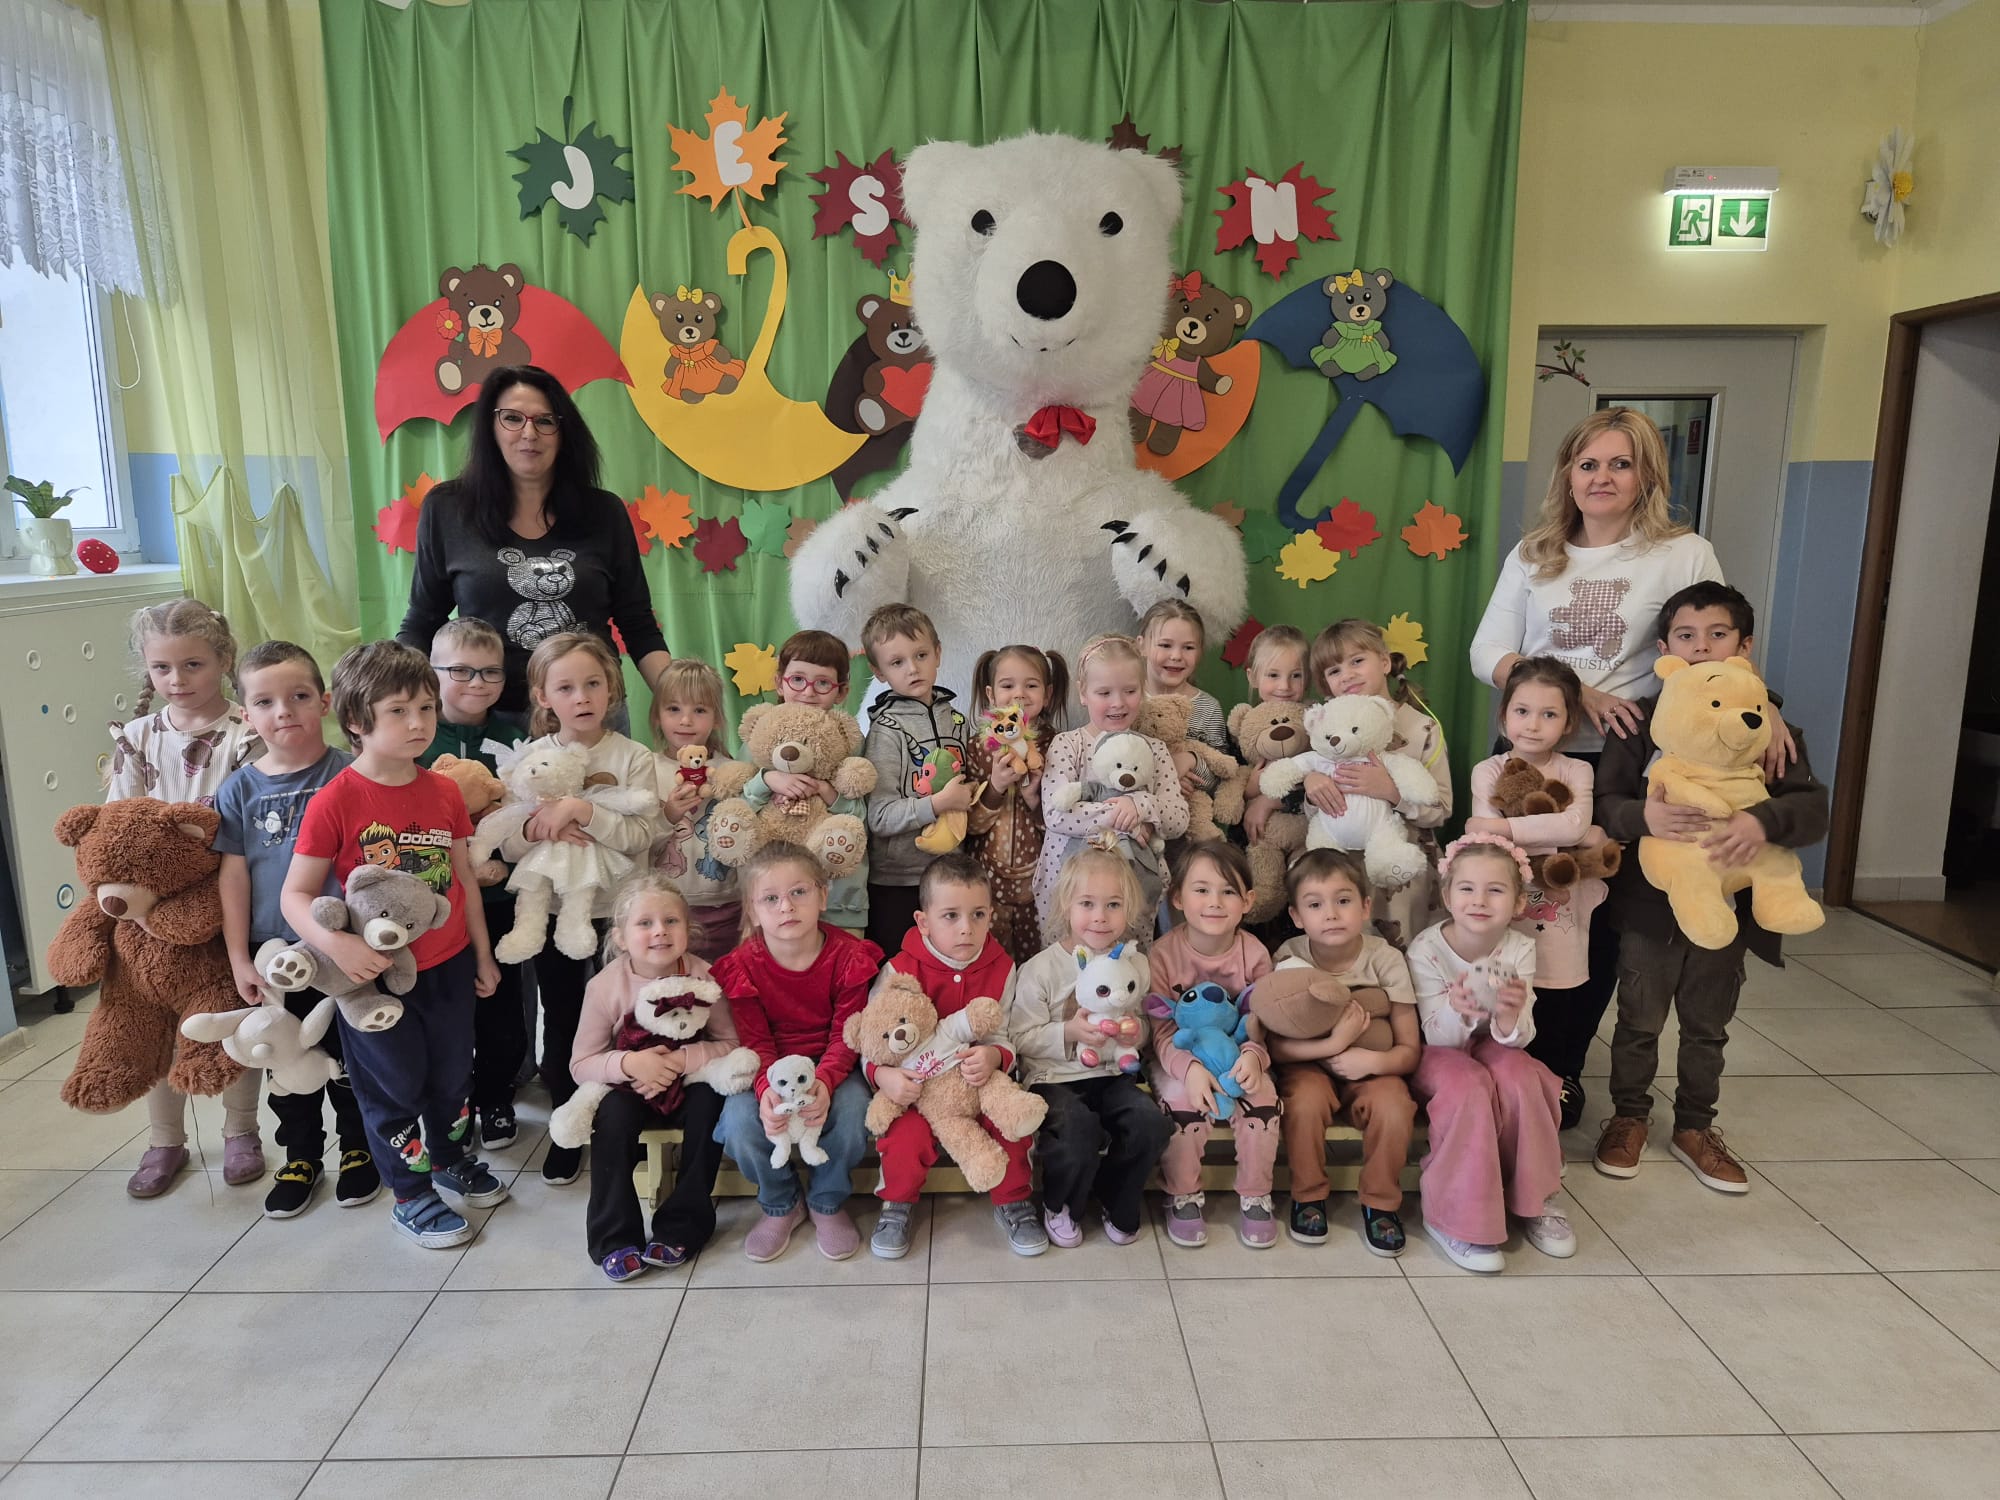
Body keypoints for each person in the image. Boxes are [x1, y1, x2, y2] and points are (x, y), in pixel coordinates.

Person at [1592, 582, 1828, 1194]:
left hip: (1731, 904)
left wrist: (1762, 821)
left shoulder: (1768, 728)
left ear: (1744, 647)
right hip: (1650, 906)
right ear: (1664, 650)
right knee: (1638, 1019)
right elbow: (1604, 801)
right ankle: (1628, 1117)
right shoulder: (1639, 722)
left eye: (1717, 635)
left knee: (1707, 1024)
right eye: (1686, 636)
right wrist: (1644, 816)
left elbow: (1812, 809)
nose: (1701, 647)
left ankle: (1696, 1126)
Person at [283, 640, 506, 1249]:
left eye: (426, 709)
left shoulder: (445, 791)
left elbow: (463, 880)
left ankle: (449, 1159)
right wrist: (338, 946)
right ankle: (409, 1195)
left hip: (449, 966)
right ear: (357, 720)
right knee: (393, 1085)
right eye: (399, 711)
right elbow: (294, 896)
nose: (418, 723)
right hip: (374, 980)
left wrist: (482, 953)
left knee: (452, 1074)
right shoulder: (335, 799)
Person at [396, 364, 671, 720]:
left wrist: (680, 702)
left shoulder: (604, 512)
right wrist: (393, 701)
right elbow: (423, 620)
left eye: (545, 421)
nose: (530, 433)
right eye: (512, 418)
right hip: (490, 721)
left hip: (592, 719)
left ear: (563, 432)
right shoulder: (448, 508)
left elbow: (638, 624)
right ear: (491, 427)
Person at [108, 599, 266, 1199]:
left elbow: (253, 826)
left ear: (223, 660)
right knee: (161, 1023)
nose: (177, 680)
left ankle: (241, 1131)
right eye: (162, 668)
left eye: (192, 664)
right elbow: (118, 826)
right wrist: (141, 904)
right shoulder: (137, 737)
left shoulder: (247, 734)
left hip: (228, 900)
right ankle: (164, 1140)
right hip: (150, 909)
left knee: (231, 1015)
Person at [494, 632, 662, 1186]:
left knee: (630, 1016)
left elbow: (641, 835)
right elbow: (508, 842)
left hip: (622, 914)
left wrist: (582, 810)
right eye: (566, 687)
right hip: (554, 913)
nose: (582, 696)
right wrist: (536, 827)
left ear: (612, 688)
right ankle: (568, 1123)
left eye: (593, 683)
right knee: (565, 1017)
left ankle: (629, 1122)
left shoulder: (633, 757)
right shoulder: (530, 757)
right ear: (543, 696)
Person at [214, 640, 374, 1217]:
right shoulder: (239, 789)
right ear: (246, 714)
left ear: (325, 702)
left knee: (348, 1055)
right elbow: (233, 878)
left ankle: (359, 1148)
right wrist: (239, 956)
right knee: (285, 1057)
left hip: (341, 948)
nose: (284, 711)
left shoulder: (353, 773)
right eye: (265, 701)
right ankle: (301, 1155)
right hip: (272, 952)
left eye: (299, 696)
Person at [1469, 406, 1724, 755]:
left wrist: (1764, 704)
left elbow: (1721, 649)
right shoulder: (1533, 551)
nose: (1601, 478)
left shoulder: (1687, 554)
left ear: (1647, 475)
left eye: (1621, 464)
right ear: (1569, 478)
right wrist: (1575, 692)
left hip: (1631, 754)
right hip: (1532, 748)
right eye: (1588, 465)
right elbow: (1486, 653)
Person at [866, 852, 1044, 1259]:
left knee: (1011, 1127)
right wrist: (882, 1076)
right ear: (923, 922)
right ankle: (896, 1204)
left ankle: (1014, 1200)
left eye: (978, 915)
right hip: (917, 1087)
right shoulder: (900, 969)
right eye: (951, 916)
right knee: (904, 1137)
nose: (967, 928)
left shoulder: (1002, 967)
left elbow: (1004, 1033)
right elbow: (874, 1036)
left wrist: (995, 1057)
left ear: (990, 915)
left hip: (976, 1084)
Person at [1407, 834, 1569, 1274]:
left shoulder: (1519, 948)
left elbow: (1520, 1038)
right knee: (1469, 1086)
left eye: (1495, 890)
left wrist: (1509, 1014)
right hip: (1437, 1050)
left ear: (1518, 902)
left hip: (1492, 1043)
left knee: (1521, 1075)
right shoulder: (1427, 949)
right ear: (1447, 896)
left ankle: (1534, 1198)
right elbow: (1434, 1036)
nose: (1479, 900)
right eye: (1467, 888)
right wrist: (1458, 1009)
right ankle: (1456, 1215)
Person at [712, 842, 880, 1263]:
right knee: (739, 1123)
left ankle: (827, 1201)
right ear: (752, 911)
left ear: (823, 896)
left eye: (798, 892)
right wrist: (767, 1089)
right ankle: (781, 1202)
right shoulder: (743, 965)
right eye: (770, 899)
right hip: (768, 1068)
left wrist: (824, 1082)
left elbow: (846, 1034)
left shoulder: (848, 957)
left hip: (832, 1065)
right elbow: (756, 1040)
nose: (786, 906)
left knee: (854, 1111)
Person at [1464, 656, 1613, 1129]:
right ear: (1503, 714)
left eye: (1549, 714)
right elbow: (1489, 843)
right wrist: (1569, 837)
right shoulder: (1488, 771)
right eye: (1522, 711)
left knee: (1558, 999)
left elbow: (1576, 825)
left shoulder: (1577, 771)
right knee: (1508, 997)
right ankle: (1504, 1091)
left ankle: (1554, 1087)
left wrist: (1505, 827)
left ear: (1568, 723)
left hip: (1563, 919)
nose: (1533, 725)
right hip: (1508, 915)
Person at [1006, 847, 1172, 1248]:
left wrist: (1135, 1034)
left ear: (1129, 909)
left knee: (1149, 1123)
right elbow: (1019, 1037)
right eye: (1087, 904)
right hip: (1053, 1078)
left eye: (1113, 905)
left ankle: (1115, 1193)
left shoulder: (1134, 966)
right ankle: (1060, 1202)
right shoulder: (1040, 968)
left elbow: (1143, 1023)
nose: (1100, 916)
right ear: (1066, 905)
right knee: (1077, 1129)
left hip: (1111, 1074)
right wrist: (1069, 1031)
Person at [572, 873, 734, 1280]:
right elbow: (581, 1063)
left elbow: (731, 1043)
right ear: (621, 937)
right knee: (611, 1118)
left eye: (671, 921)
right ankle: (614, 1237)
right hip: (631, 1089)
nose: (660, 931)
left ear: (688, 929)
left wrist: (681, 1060)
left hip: (689, 1085)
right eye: (645, 923)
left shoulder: (705, 977)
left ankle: (683, 1226)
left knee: (711, 1105)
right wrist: (630, 1065)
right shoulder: (605, 986)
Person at [1268, 849, 1420, 1256]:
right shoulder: (1290, 958)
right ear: (1297, 916)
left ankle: (1381, 1202)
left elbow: (1410, 1050)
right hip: (1309, 1064)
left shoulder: (1384, 959)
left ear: (1366, 906)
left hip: (1375, 1067)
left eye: (1343, 900)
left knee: (1394, 1107)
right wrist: (1333, 1046)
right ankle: (1308, 1195)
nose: (1331, 914)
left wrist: (1373, 1062)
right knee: (1303, 1102)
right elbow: (1278, 1049)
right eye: (1315, 905)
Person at [418, 617, 530, 1150]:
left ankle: (496, 1096)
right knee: (445, 1014)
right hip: (435, 904)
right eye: (461, 670)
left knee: (501, 1007)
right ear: (433, 674)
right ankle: (451, 1104)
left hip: (498, 898)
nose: (478, 683)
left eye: (491, 672)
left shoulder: (515, 737)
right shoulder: (418, 736)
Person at [1144, 841, 1282, 1250]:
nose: (1215, 902)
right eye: (1201, 890)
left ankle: (1256, 1193)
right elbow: (1161, 1031)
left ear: (1248, 901)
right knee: (1181, 1103)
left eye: (1228, 891)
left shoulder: (1254, 954)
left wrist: (1253, 1058)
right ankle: (1182, 1192)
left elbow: (1260, 1023)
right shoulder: (1162, 955)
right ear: (1178, 898)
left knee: (1263, 1101)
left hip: (1240, 1056)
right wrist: (1190, 1070)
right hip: (1178, 1058)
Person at [1308, 618, 1452, 947]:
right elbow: (1313, 810)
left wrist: (1391, 792)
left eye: (1357, 661)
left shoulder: (1423, 729)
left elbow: (1441, 809)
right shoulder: (1325, 731)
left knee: (1403, 955)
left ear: (1385, 662)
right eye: (1334, 670)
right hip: (1344, 868)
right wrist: (1312, 784)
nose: (1347, 675)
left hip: (1404, 873)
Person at [1035, 633, 1190, 928]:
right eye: (1104, 693)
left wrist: (1140, 805)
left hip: (1134, 894)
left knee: (1128, 956)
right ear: (1083, 693)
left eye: (1130, 691)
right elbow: (1057, 813)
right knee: (1068, 955)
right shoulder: (1067, 745)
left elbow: (1178, 819)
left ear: (1143, 689)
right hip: (1069, 892)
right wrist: (1124, 818)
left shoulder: (1155, 750)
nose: (1118, 703)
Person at [735, 630, 870, 936]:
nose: (808, 692)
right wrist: (767, 779)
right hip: (772, 902)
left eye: (822, 683)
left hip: (838, 901)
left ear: (841, 691)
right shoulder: (761, 734)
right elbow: (736, 810)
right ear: (779, 682)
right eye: (797, 679)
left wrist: (826, 791)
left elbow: (861, 819)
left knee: (843, 965)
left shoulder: (849, 740)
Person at [860, 603, 971, 955]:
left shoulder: (958, 721)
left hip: (951, 875)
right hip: (897, 882)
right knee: (900, 975)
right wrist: (937, 804)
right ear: (879, 671)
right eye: (897, 662)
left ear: (938, 653)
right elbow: (879, 816)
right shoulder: (886, 730)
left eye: (921, 655)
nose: (912, 668)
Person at [964, 643, 1066, 966]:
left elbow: (1065, 823)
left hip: (1042, 881)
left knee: (1039, 964)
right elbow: (969, 825)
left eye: (1031, 685)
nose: (1019, 694)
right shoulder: (977, 747)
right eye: (1008, 686)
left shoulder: (1059, 745)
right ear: (991, 695)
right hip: (987, 881)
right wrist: (995, 787)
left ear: (1047, 694)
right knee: (993, 964)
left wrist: (1034, 799)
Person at [649, 657, 747, 961]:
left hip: (727, 907)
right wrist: (668, 815)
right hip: (664, 909)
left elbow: (748, 841)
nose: (685, 721)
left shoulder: (732, 772)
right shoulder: (646, 768)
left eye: (699, 710)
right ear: (656, 715)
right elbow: (636, 840)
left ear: (716, 718)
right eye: (673, 709)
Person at [1139, 597, 1230, 754]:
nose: (1176, 656)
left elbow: (1221, 763)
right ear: (1142, 646)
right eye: (1165, 645)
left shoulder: (1209, 709)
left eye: (1188, 647)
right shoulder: (1127, 700)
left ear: (1200, 651)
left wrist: (1192, 761)